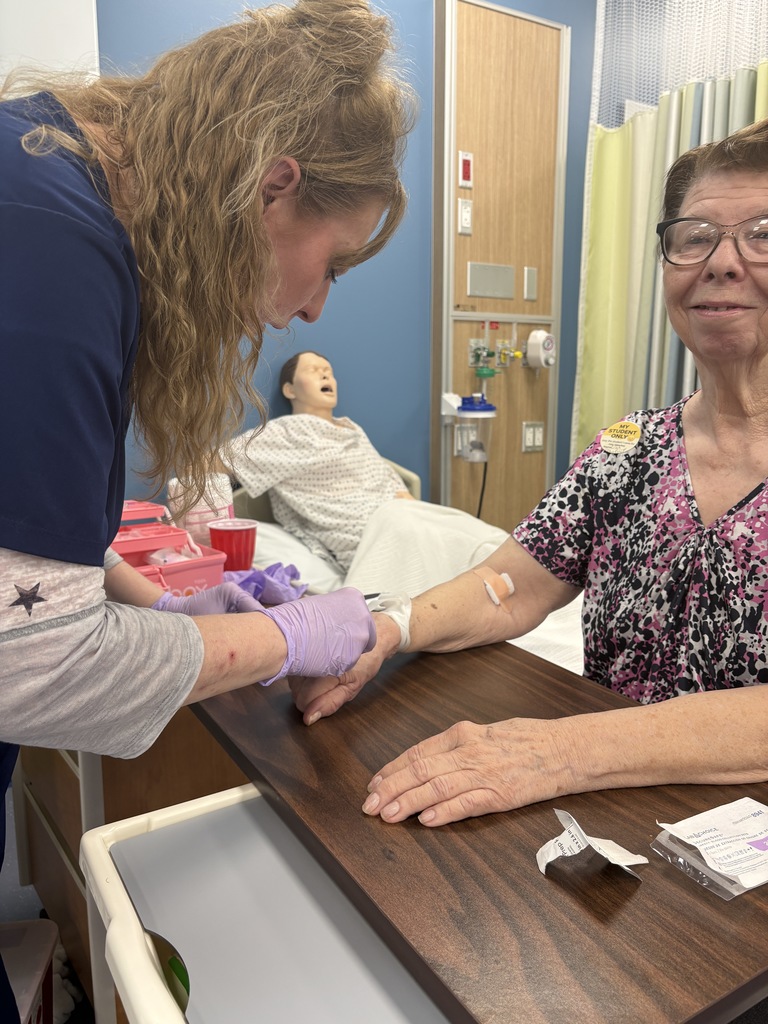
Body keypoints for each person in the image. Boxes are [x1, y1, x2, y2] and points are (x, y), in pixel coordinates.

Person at [0, 2, 415, 1016]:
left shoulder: (44, 174)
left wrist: (163, 605)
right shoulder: (52, 247)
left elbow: (29, 549)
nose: (318, 307)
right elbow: (32, 661)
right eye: (338, 258)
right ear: (271, 188)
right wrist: (277, 639)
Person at [289, 117, 768, 830]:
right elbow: (509, 586)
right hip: (618, 832)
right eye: (694, 237)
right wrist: (386, 630)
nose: (722, 263)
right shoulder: (626, 452)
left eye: (762, 233)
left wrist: (559, 751)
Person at [223, 350, 510, 591]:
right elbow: (217, 462)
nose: (326, 375)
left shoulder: (351, 428)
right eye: (314, 370)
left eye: (329, 371)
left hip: (401, 517)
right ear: (289, 390)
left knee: (481, 541)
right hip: (370, 535)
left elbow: (394, 486)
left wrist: (426, 519)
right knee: (469, 568)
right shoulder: (284, 432)